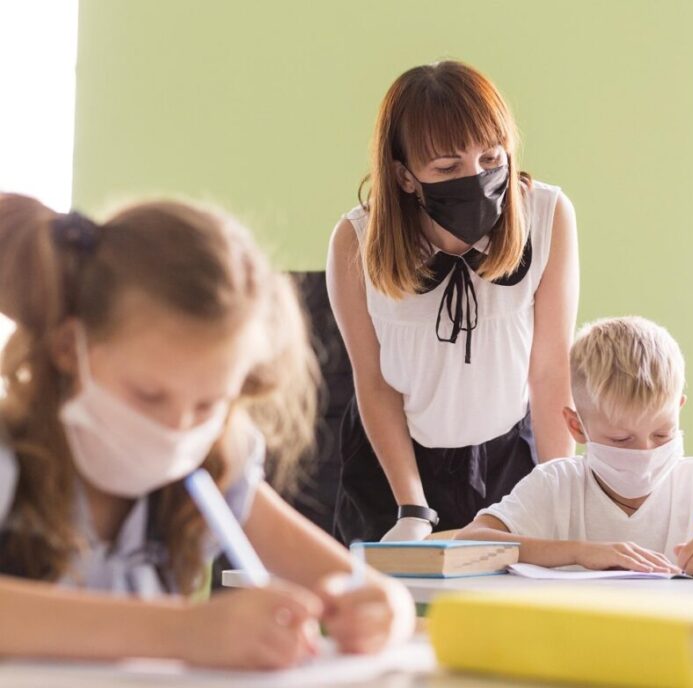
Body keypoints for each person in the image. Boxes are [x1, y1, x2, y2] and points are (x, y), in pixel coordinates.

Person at [0, 193, 414, 669]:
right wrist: (183, 630)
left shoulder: (213, 466)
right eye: (148, 395)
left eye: (210, 403)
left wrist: (384, 609)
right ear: (69, 349)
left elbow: (362, 587)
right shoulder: (12, 454)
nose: (177, 429)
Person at [327, 61, 579, 543]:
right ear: (404, 176)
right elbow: (374, 384)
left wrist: (561, 495)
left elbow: (550, 373)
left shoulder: (548, 216)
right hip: (394, 469)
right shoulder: (354, 242)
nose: (475, 177)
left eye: (490, 159)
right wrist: (412, 507)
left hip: (508, 458)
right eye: (447, 167)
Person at [458, 316, 693, 577]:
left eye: (663, 433)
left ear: (679, 409)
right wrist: (580, 552)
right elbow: (469, 542)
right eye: (621, 439)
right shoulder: (558, 485)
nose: (646, 451)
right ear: (576, 426)